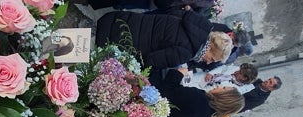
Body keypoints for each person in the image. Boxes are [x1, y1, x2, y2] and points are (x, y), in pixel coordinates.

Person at [95, 11, 232, 69]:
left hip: (118, 19)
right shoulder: (187, 53)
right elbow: (149, 61)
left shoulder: (191, 22)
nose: (208, 62)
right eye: (212, 58)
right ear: (211, 47)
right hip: (115, 40)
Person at [149, 67, 244, 117]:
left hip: (148, 105)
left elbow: (165, 92)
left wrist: (179, 73)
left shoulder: (199, 98)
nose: (218, 86)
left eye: (223, 88)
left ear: (224, 97)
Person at [186, 63, 258, 94]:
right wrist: (211, 73)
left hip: (204, 90)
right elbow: (223, 68)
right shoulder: (236, 69)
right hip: (203, 78)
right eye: (239, 70)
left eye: (240, 73)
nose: (237, 72)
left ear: (244, 78)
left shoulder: (236, 90)